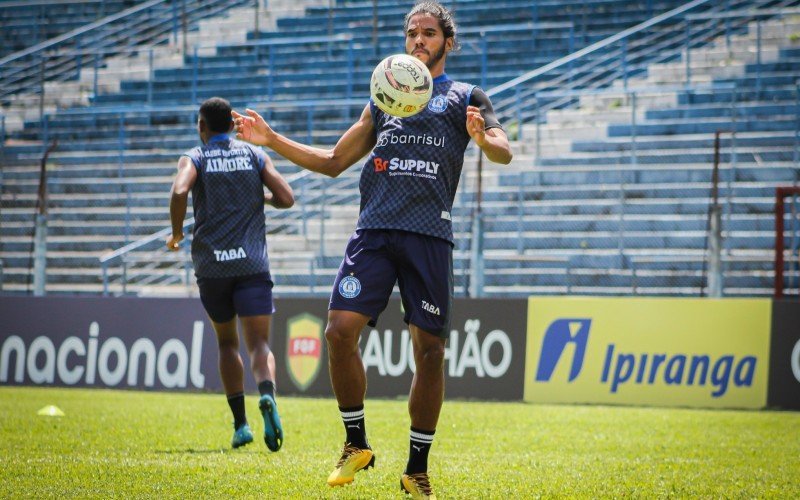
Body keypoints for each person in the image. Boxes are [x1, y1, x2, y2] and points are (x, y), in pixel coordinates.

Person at [233, 1, 512, 497]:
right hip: (375, 231)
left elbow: (503, 149)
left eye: (428, 33)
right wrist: (271, 139)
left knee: (429, 353)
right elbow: (335, 160)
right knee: (339, 331)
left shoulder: (466, 96)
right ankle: (355, 442)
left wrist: (482, 139)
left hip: (429, 237)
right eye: (411, 33)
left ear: (448, 42)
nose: (418, 41)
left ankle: (417, 468)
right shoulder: (385, 96)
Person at [167, 96, 294, 452]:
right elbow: (286, 197)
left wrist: (177, 234)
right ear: (231, 125)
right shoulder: (254, 155)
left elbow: (179, 190)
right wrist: (263, 200)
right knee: (259, 345)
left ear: (203, 126)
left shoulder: (196, 155)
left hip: (213, 266)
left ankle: (241, 425)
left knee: (227, 343)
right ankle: (267, 395)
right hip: (252, 264)